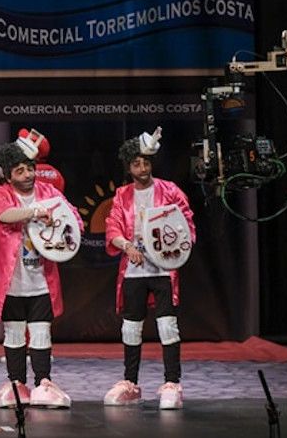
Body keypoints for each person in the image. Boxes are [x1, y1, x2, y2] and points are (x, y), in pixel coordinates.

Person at [0, 139, 81, 409]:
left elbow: (74, 218)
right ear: (8, 174)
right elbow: (4, 215)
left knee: (41, 333)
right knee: (14, 333)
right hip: (12, 281)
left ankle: (44, 383)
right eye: (19, 171)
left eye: (29, 169)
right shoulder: (1, 194)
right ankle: (16, 383)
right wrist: (35, 211)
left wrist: (64, 225)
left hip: (41, 279)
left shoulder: (49, 191)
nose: (27, 175)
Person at [102, 128, 195, 410]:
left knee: (168, 326)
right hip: (133, 272)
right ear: (128, 167)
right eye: (136, 164)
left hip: (164, 271)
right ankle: (130, 382)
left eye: (145, 162)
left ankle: (172, 383)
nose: (142, 168)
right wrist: (126, 245)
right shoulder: (122, 195)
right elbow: (113, 225)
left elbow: (186, 226)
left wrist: (174, 251)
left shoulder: (170, 191)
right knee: (131, 328)